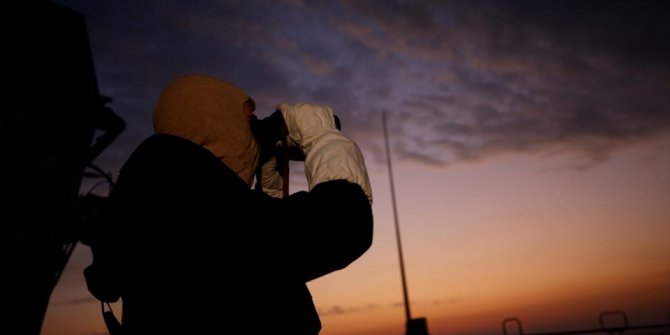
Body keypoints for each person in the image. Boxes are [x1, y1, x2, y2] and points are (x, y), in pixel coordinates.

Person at [84, 73, 373, 334]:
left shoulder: (160, 197)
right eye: (248, 119)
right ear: (217, 120)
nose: (254, 131)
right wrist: (321, 135)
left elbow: (252, 267)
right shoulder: (177, 182)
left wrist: (268, 197)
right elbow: (344, 224)